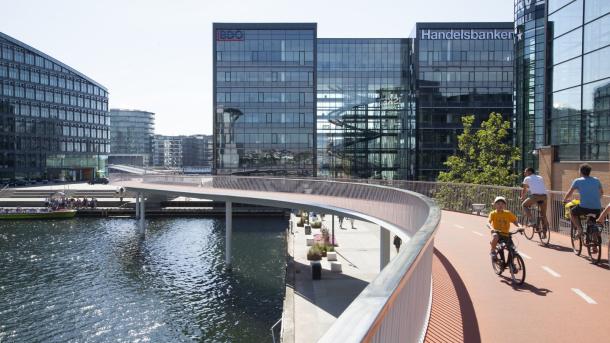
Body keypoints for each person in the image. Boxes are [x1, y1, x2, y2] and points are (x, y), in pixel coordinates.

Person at [562, 164, 604, 252]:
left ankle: (580, 229)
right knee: (593, 223)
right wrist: (595, 199)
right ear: (589, 172)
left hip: (584, 207)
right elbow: (601, 193)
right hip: (597, 208)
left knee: (572, 213)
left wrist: (565, 200)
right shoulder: (596, 180)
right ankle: (595, 247)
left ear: (580, 172)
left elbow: (570, 192)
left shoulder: (577, 181)